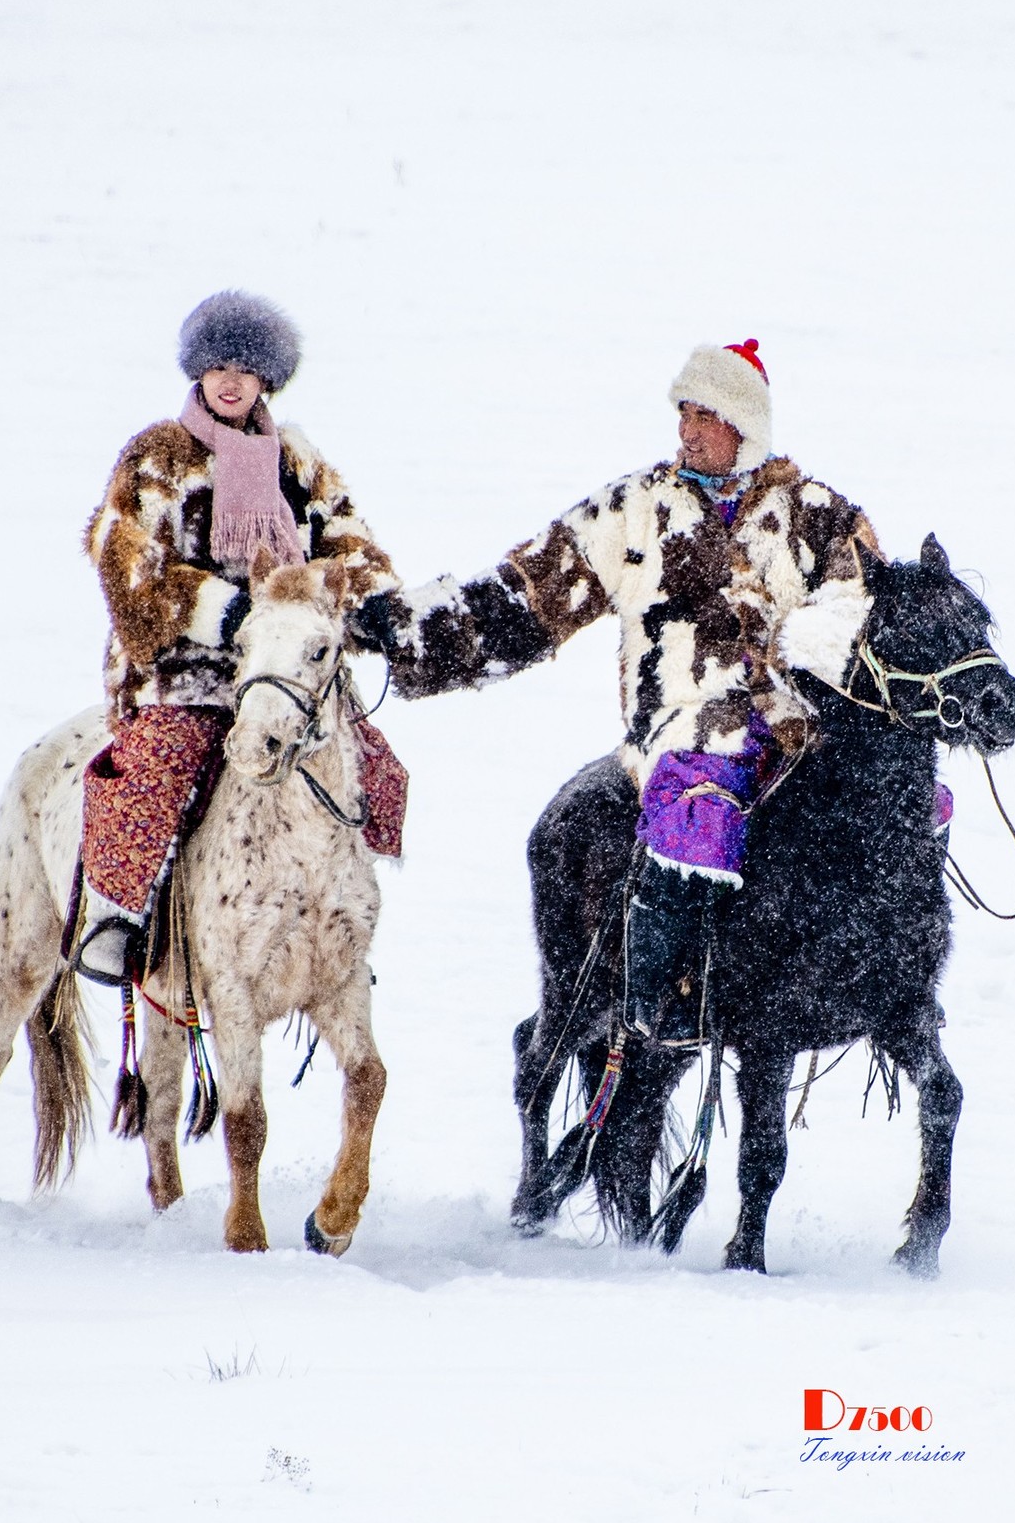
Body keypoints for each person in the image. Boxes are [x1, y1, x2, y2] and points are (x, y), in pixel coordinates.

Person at [360, 339, 882, 1043]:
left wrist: (805, 647)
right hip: (688, 728)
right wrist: (407, 632)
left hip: (803, 729)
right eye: (684, 413)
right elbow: (527, 595)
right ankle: (662, 1005)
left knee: (902, 810)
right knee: (697, 814)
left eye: (706, 414)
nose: (687, 430)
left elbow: (871, 607)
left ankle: (881, 987)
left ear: (745, 427)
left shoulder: (818, 514)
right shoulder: (635, 510)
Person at [75, 290, 400, 983]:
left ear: (266, 381)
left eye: (245, 370)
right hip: (183, 671)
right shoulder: (160, 455)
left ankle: (337, 925)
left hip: (285, 666)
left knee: (371, 764)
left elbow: (351, 541)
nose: (230, 381)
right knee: (160, 764)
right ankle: (116, 913)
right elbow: (122, 555)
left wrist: (358, 602)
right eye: (218, 365)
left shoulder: (297, 460)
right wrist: (225, 614)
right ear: (198, 371)